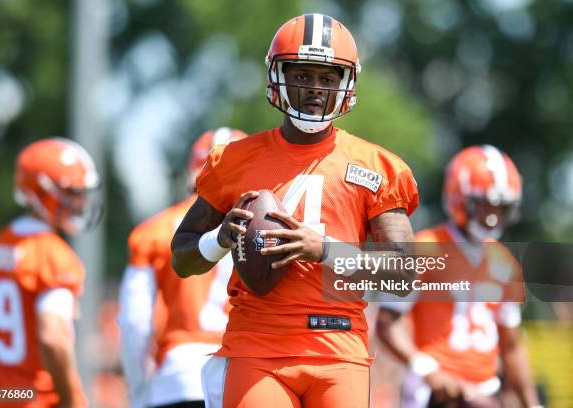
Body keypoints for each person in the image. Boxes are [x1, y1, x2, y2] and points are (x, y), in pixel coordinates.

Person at [171, 13, 419, 408]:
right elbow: (181, 258)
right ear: (279, 76)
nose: (314, 89)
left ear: (346, 83)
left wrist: (322, 248)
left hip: (338, 344)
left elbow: (405, 274)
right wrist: (219, 240)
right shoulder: (233, 159)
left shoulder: (376, 166)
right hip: (257, 342)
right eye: (302, 75)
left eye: (327, 77)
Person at [376, 145, 542, 407]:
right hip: (432, 392)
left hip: (486, 391)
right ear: (460, 199)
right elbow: (387, 324)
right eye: (485, 205)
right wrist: (428, 369)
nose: (493, 216)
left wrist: (532, 404)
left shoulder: (506, 262)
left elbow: (512, 347)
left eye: (501, 208)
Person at [0, 138, 103, 408]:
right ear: (41, 192)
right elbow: (52, 338)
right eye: (72, 193)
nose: (79, 203)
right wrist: (71, 400)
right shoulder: (52, 254)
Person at [118, 128, 248, 408]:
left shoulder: (154, 231)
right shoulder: (264, 229)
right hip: (242, 375)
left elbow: (134, 322)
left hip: (178, 374)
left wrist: (140, 391)